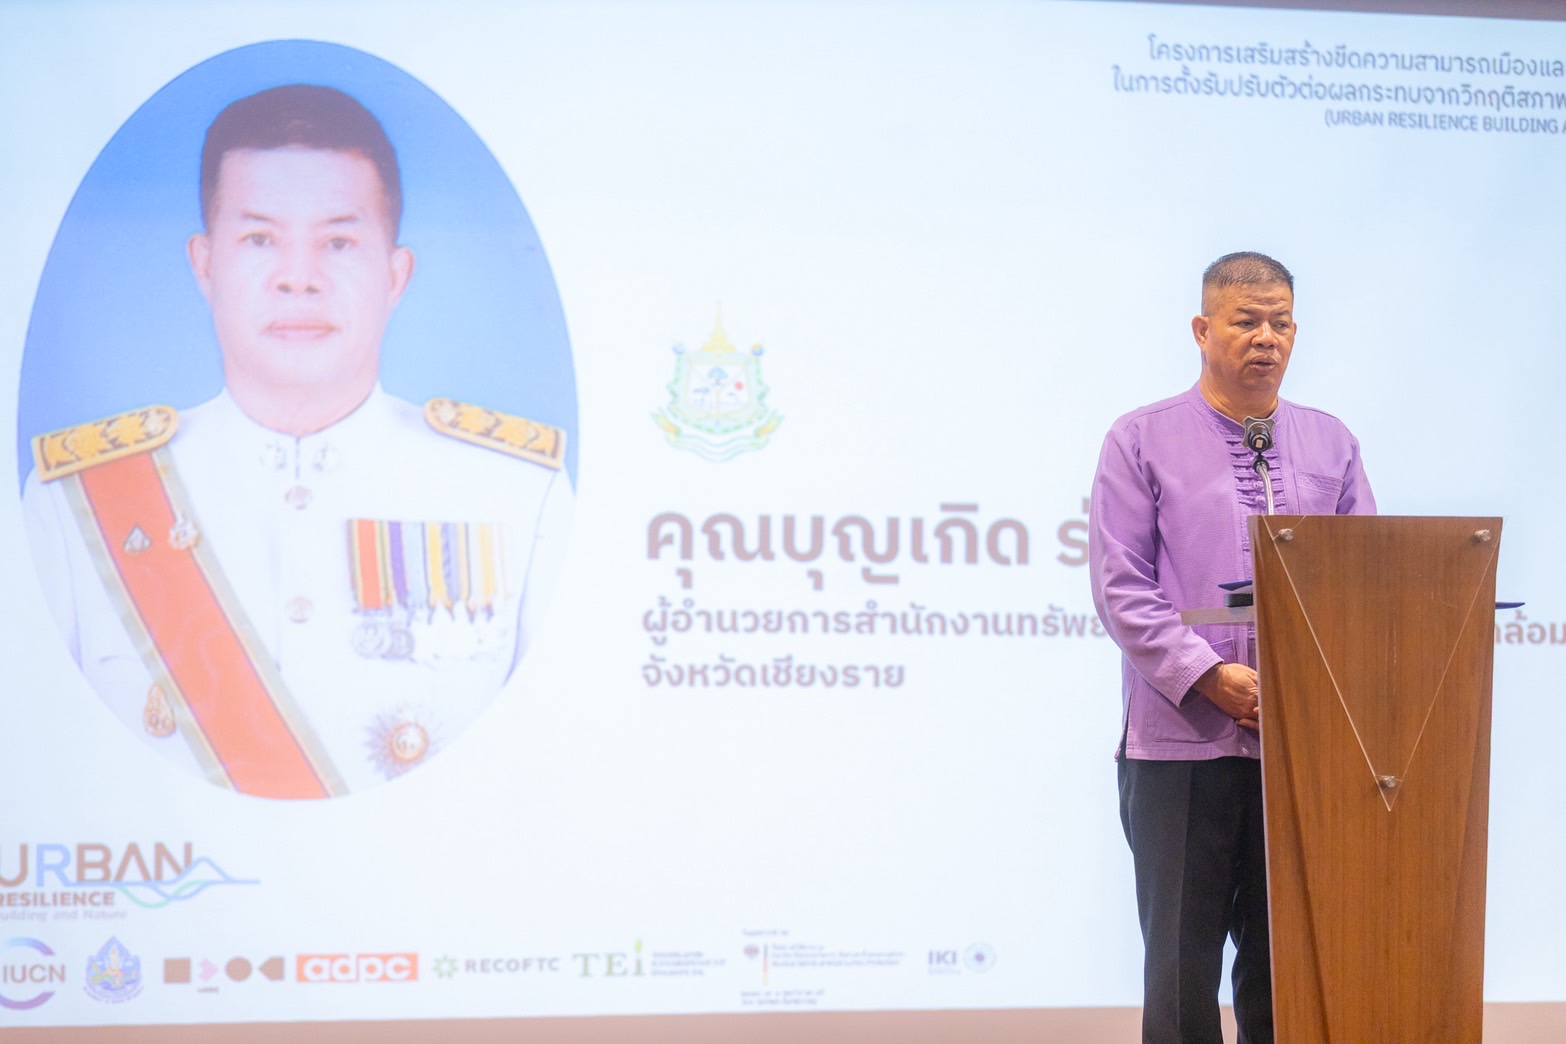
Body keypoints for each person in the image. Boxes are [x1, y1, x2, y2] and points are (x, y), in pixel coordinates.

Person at [21, 85, 572, 799]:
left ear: (395, 275)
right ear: (205, 265)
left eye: (339, 242)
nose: (298, 279)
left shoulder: (518, 496)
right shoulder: (75, 506)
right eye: (259, 239)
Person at [1088, 252, 1374, 1043]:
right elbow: (1121, 586)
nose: (1265, 338)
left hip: (1301, 747)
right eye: (1246, 321)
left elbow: (1366, 581)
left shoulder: (1331, 442)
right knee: (1182, 974)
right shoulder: (1140, 438)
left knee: (1289, 973)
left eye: (1280, 323)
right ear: (1202, 328)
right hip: (1183, 745)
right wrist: (1209, 675)